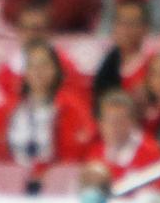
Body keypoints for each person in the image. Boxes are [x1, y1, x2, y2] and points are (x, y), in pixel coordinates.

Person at [7, 42, 96, 178]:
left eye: (44, 65)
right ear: (25, 72)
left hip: (56, 181)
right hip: (14, 180)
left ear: (56, 70)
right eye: (33, 65)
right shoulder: (13, 107)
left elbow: (77, 152)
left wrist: (51, 175)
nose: (38, 71)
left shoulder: (71, 106)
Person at [84, 91, 160, 186]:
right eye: (108, 120)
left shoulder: (153, 153)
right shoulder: (95, 153)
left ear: (132, 122)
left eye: (119, 120)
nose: (113, 127)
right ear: (100, 124)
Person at [93, 0, 156, 100]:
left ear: (145, 28)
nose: (125, 28)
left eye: (132, 23)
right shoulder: (101, 60)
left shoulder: (155, 62)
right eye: (120, 22)